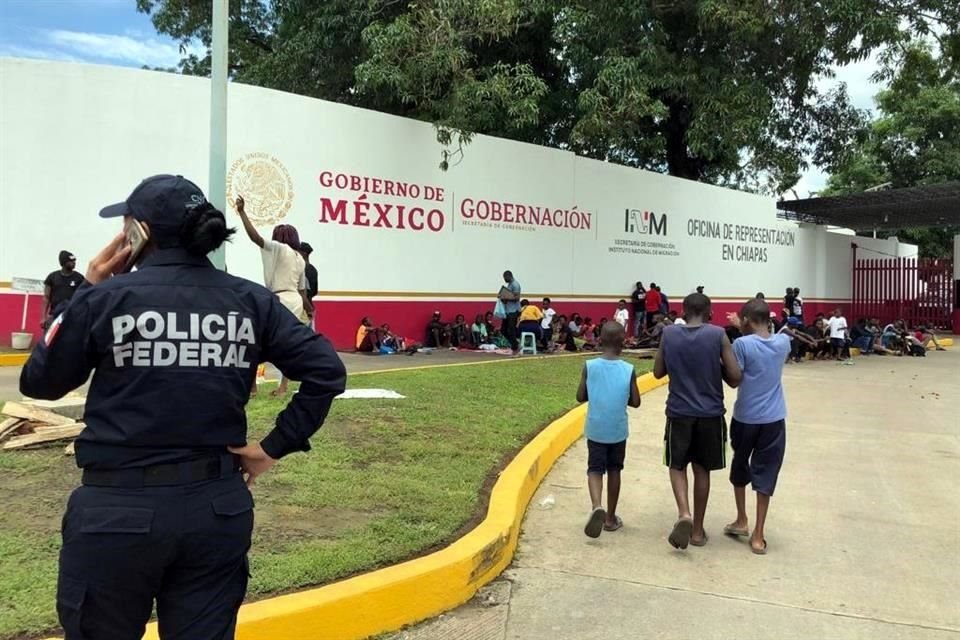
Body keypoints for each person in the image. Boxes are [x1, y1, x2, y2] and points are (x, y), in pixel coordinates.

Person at [19, 174, 346, 640]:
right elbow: (326, 371)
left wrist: (86, 288)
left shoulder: (106, 299)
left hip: (116, 515)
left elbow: (41, 381)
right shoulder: (250, 300)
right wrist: (273, 447)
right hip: (215, 512)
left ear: (139, 234)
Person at [653, 293, 741, 549]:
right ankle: (698, 532)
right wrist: (716, 365)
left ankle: (684, 513)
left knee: (677, 465)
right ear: (710, 312)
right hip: (710, 414)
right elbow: (735, 377)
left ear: (683, 311)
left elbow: (658, 372)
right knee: (702, 469)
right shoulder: (717, 335)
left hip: (679, 412)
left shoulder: (669, 334)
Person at [724, 298, 791, 555]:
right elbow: (765, 339)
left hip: (745, 418)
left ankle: (741, 519)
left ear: (747, 321)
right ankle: (759, 534)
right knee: (766, 473)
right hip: (774, 419)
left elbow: (734, 376)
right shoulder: (782, 343)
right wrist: (743, 325)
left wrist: (736, 330)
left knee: (740, 466)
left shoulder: (741, 344)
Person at [236, 195, 309, 397]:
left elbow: (255, 238)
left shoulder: (280, 248)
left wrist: (242, 212)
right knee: (287, 345)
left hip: (279, 299)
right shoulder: (300, 258)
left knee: (257, 341)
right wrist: (310, 311)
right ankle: (283, 387)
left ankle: (252, 386)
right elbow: (303, 292)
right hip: (295, 301)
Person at [576, 321, 642, 537]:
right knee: (615, 470)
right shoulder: (628, 369)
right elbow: (635, 401)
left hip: (595, 428)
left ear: (600, 340)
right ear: (624, 342)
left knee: (595, 468)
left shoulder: (590, 366)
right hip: (617, 430)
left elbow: (580, 396)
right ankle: (611, 517)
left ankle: (596, 506)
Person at [43, 250, 85, 326]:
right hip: (54, 316)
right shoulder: (52, 277)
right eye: (71, 261)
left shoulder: (79, 278)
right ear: (64, 263)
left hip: (72, 316)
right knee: (51, 337)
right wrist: (43, 317)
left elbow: (83, 297)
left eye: (74, 261)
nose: (74, 263)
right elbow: (46, 297)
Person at [498, 270, 522, 353]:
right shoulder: (509, 285)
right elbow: (509, 298)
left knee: (510, 329)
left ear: (509, 276)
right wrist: (502, 298)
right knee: (503, 330)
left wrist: (506, 298)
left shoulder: (515, 284)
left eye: (504, 278)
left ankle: (515, 347)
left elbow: (517, 298)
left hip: (514, 311)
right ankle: (515, 344)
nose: (504, 279)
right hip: (508, 311)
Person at [299, 242, 318, 330]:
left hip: (299, 308)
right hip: (310, 307)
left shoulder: (298, 267)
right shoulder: (314, 270)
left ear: (304, 253)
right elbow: (314, 292)